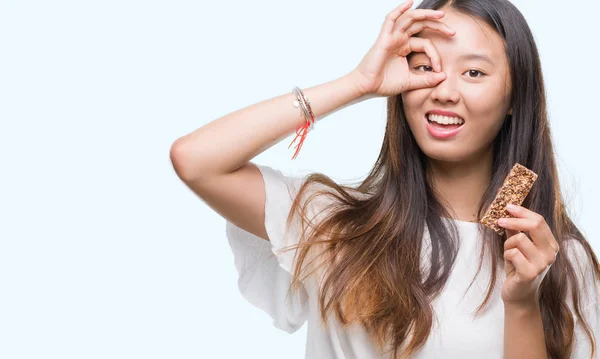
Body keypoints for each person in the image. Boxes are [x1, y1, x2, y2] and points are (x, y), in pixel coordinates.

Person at [170, 0, 600, 357]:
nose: (444, 90)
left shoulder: (560, 262)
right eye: (425, 66)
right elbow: (196, 160)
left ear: (514, 98)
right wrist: (358, 83)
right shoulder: (334, 227)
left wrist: (522, 303)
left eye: (473, 72)